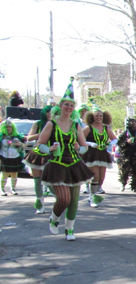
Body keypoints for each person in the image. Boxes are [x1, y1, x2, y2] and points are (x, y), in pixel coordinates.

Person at [37, 81, 95, 240]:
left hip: (74, 165)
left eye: (71, 105)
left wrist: (79, 149)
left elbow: (84, 147)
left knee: (74, 200)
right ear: (60, 106)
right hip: (56, 165)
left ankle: (69, 230)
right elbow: (39, 144)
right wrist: (48, 149)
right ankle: (54, 218)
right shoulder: (51, 124)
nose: (69, 107)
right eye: (66, 105)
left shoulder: (76, 125)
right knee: (63, 198)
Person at [82, 104, 117, 208]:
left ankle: (93, 193)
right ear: (92, 116)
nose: (98, 118)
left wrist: (111, 143)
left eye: (100, 116)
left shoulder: (106, 128)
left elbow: (114, 138)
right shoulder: (88, 128)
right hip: (91, 154)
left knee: (101, 178)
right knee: (95, 176)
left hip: (103, 154)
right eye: (96, 115)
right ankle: (93, 196)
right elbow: (80, 140)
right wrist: (90, 143)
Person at [23, 105, 55, 213]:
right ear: (44, 113)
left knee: (49, 180)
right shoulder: (38, 124)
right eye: (48, 112)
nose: (50, 114)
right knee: (38, 181)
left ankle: (60, 200)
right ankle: (40, 204)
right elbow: (29, 137)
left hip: (51, 155)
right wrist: (42, 134)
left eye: (52, 112)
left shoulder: (57, 125)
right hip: (37, 154)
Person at [117, 117, 136, 192]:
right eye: (132, 123)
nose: (133, 125)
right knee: (125, 169)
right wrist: (126, 142)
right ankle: (123, 183)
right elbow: (119, 144)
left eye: (134, 123)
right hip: (126, 155)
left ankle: (135, 186)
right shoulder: (124, 134)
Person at [0, 119, 26, 195]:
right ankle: (2, 189)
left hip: (15, 157)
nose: (8, 129)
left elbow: (25, 145)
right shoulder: (1, 136)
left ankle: (13, 189)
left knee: (14, 173)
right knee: (5, 173)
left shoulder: (17, 136)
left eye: (10, 127)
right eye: (7, 127)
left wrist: (19, 144)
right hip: (4, 157)